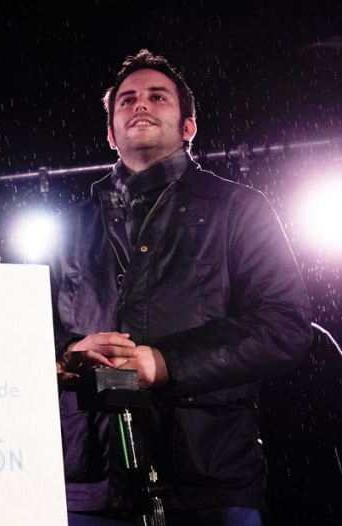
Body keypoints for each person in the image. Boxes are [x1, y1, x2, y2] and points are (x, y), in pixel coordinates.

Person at [51, 50, 312, 525]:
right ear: (110, 134)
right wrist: (67, 354)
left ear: (188, 126)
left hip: (208, 483)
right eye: (127, 99)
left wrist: (166, 362)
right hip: (89, 488)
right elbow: (27, 332)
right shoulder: (67, 227)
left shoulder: (239, 209)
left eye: (158, 97)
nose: (140, 104)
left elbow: (285, 326)